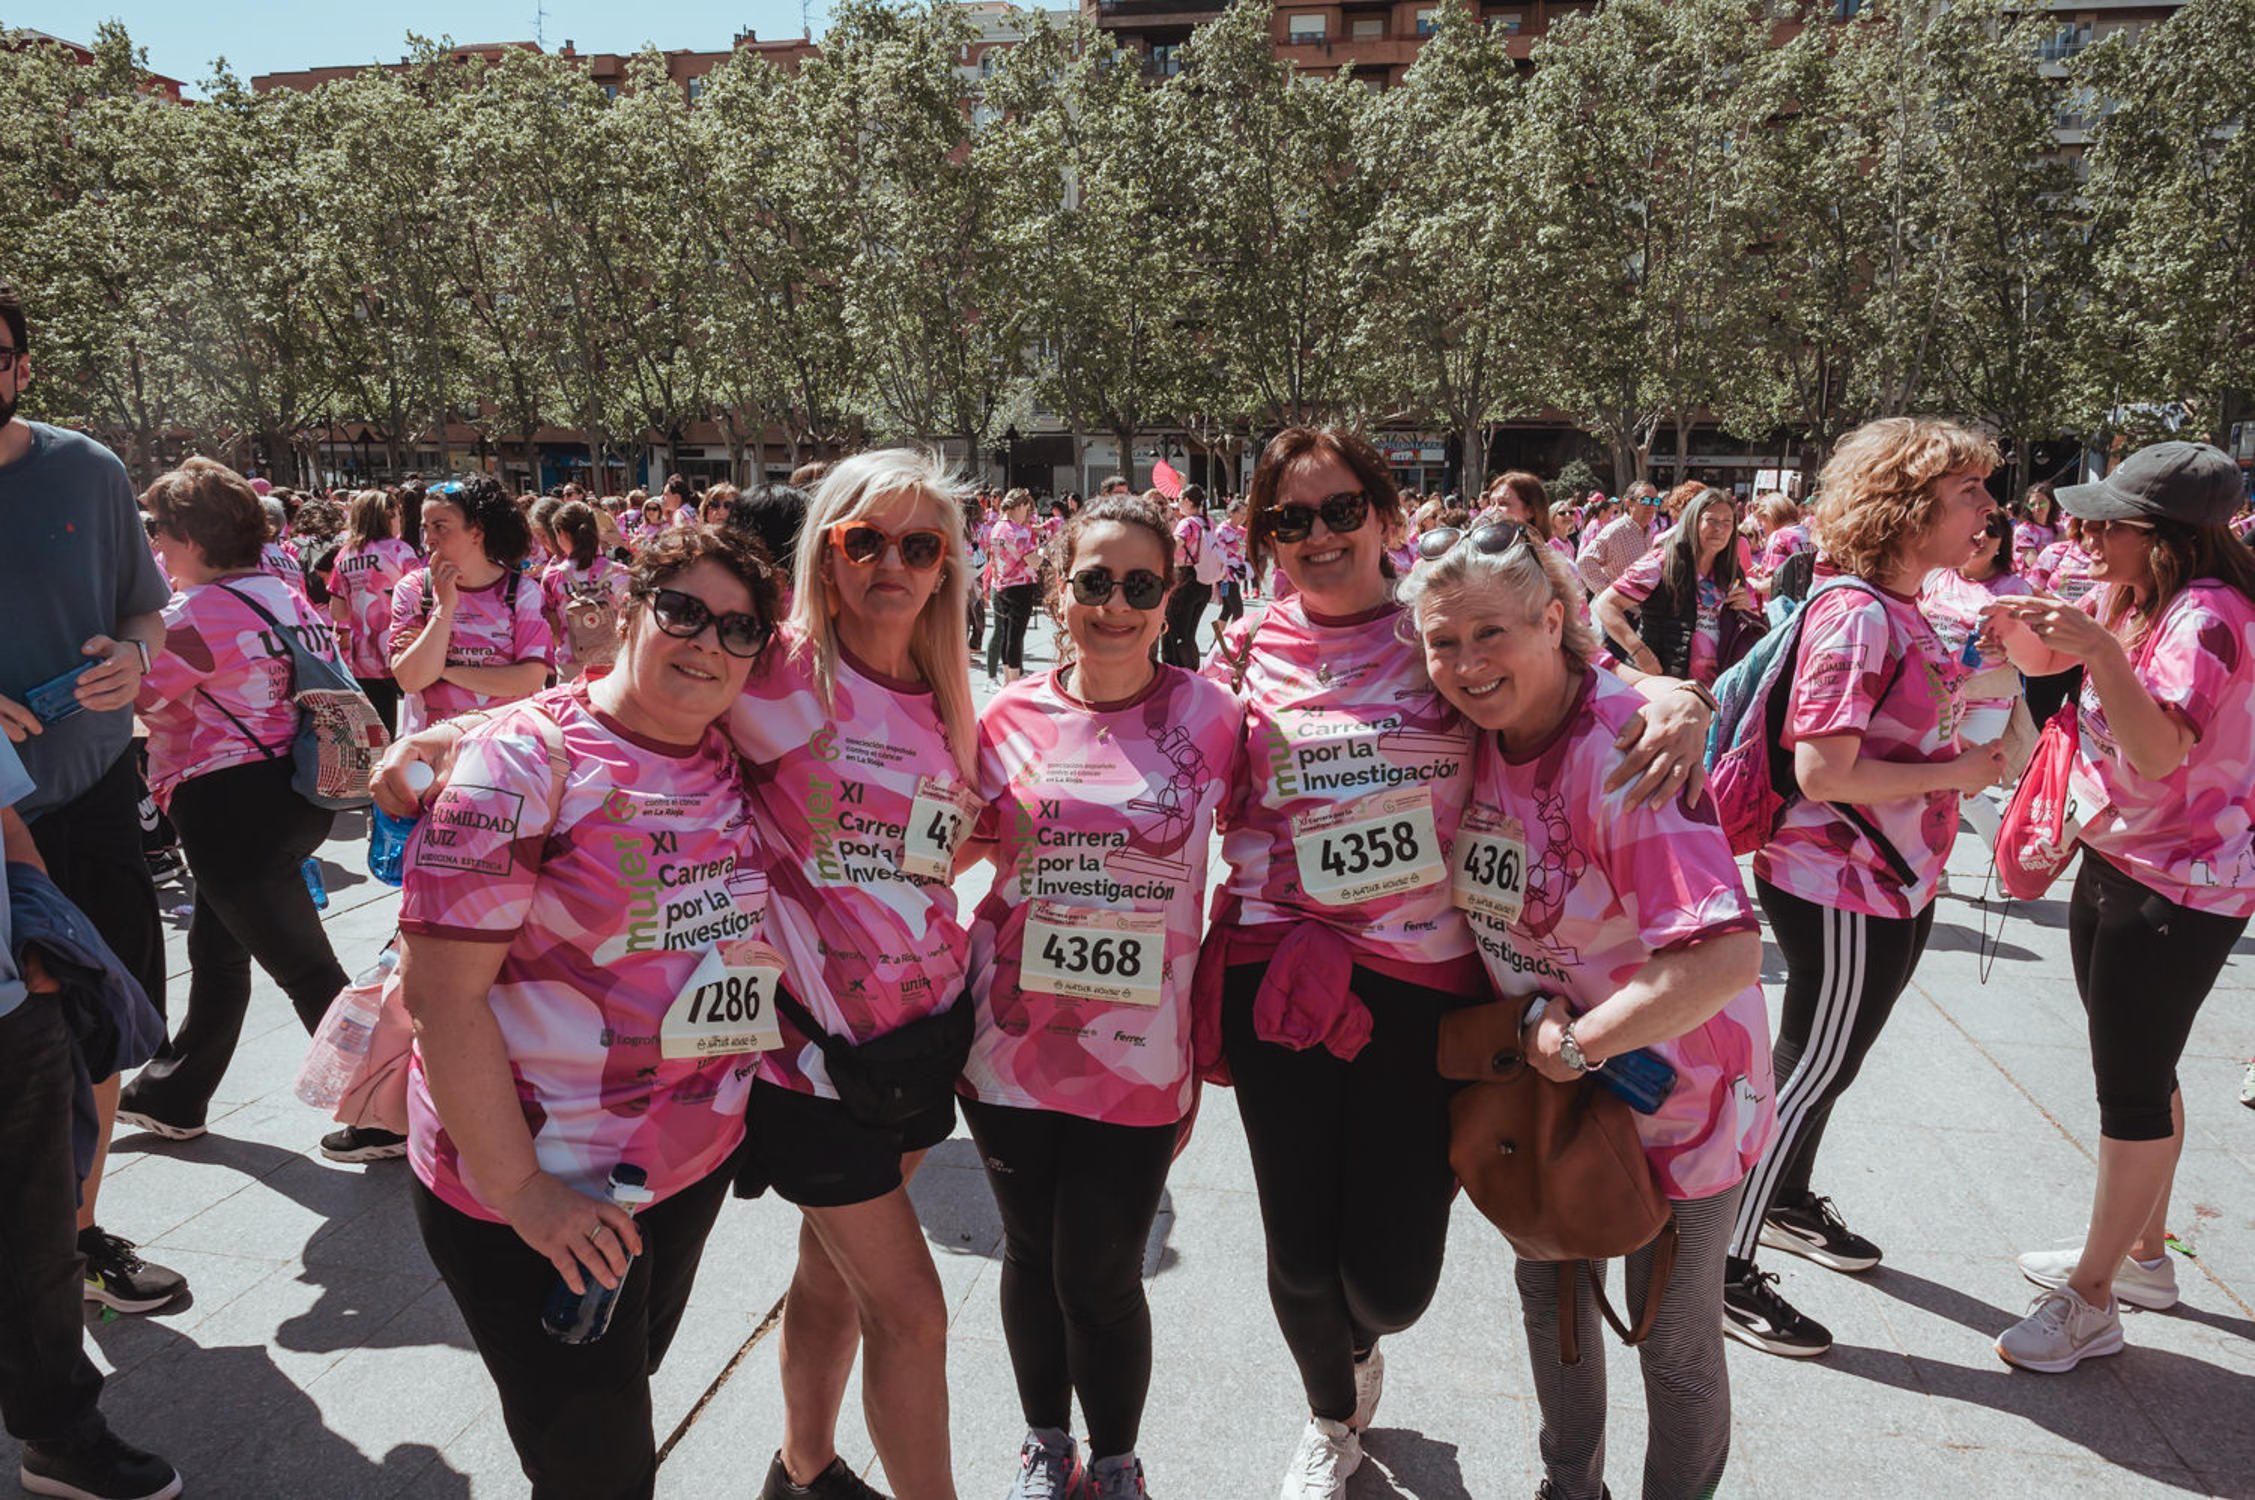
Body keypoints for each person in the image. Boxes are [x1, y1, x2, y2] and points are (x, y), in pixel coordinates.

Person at [1203, 428, 1716, 1500]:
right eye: (1288, 519)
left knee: (1390, 1277)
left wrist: (1680, 699)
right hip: (1277, 967)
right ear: (1261, 539)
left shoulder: (1436, 626)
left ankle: (1363, 1339)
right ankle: (1331, 1412)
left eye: (1341, 508)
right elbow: (1162, 757)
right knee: (1298, 1250)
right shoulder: (1243, 649)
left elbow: (1571, 676)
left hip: (1424, 986)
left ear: (1386, 516)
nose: (1318, 535)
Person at [402, 527, 781, 1498]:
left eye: (739, 630)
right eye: (684, 611)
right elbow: (442, 998)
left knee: (619, 1394)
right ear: (629, 609)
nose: (706, 643)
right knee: (600, 1470)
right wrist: (524, 1192)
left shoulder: (735, 752)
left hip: (683, 1166)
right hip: (533, 1193)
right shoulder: (522, 761)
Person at [1402, 523, 1774, 1500]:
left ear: (1553, 620)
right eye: (1443, 642)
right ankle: (1569, 1491)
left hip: (1671, 1094)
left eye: (1489, 633)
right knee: (1552, 1301)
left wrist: (1575, 1043)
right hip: (1548, 1092)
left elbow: (1727, 956)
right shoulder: (1473, 734)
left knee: (1671, 1338)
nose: (1465, 664)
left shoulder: (1622, 750)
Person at [960, 495, 1242, 1500]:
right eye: (1093, 582)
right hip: (1008, 1039)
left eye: (1138, 585)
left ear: (1170, 596)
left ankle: (1116, 1461)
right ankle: (1046, 1445)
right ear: (1056, 591)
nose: (1114, 605)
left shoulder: (1216, 718)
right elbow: (940, 843)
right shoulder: (1004, 717)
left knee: (1104, 1270)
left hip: (1140, 1049)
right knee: (1030, 1254)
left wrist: (1663, 700)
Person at [1723, 418, 2008, 1358]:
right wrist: (1955, 776)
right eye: (1967, 490)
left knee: (1829, 1060)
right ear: (1909, 504)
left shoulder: (1905, 604)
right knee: (1808, 1066)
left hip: (1890, 876)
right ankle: (1722, 1263)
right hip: (1837, 877)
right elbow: (1822, 771)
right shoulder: (1856, 613)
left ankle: (1790, 1201)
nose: (1986, 508)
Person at [1983, 441, 2255, 1371]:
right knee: (2143, 1065)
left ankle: (2092, 1299)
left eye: (2107, 521)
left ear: (2167, 536)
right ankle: (2141, 1259)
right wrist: (2026, 632)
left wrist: (2097, 648)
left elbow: (2156, 751)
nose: (2083, 530)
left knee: (2130, 1086)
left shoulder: (2209, 616)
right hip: (2120, 859)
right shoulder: (2142, 597)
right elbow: (2065, 677)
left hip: (2181, 882)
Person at [0, 279, 188, 1317]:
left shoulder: (88, 469)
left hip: (91, 799)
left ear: (23, 365)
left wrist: (129, 654)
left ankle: (75, 1238)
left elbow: (145, 616)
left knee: (103, 1021)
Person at [109, 460, 353, 1143]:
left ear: (189, 535)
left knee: (308, 971)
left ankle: (385, 1109)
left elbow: (132, 697)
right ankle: (175, 1093)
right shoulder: (283, 593)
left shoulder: (192, 617)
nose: (151, 542)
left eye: (155, 528)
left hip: (230, 808)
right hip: (299, 791)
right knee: (219, 953)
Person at [389, 476, 552, 737]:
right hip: (429, 754)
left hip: (505, 747)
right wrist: (444, 608)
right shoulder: (413, 590)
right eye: (426, 527)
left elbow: (530, 678)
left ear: (475, 532)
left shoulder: (522, 593)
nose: (428, 539)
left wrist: (440, 670)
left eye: (440, 527)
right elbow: (410, 679)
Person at [1593, 487, 1764, 688]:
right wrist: (1639, 652)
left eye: (1727, 522)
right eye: (1711, 520)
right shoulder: (1663, 561)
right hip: (1665, 685)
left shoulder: (1730, 570)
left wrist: (1745, 607)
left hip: (1714, 690)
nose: (1720, 528)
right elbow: (1606, 604)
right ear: (1693, 521)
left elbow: (1748, 620)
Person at [327, 488, 419, 733]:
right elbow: (423, 595)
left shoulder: (345, 556)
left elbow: (337, 612)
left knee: (381, 733)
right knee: (419, 724)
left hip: (364, 656)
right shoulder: (400, 551)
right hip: (404, 648)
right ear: (389, 515)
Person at [541, 500, 632, 681]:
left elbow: (552, 628)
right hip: (615, 662)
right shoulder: (621, 573)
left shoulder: (553, 576)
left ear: (562, 534)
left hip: (572, 662)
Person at [986, 488, 1040, 685]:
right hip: (1020, 586)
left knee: (1006, 634)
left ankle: (1008, 682)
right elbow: (1033, 561)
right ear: (1018, 506)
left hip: (1001, 584)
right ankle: (1014, 682)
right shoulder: (1018, 532)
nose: (1026, 513)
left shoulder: (997, 528)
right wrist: (1045, 557)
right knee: (1015, 636)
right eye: (1025, 508)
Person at [1163, 487, 1215, 669]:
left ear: (1187, 501)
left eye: (1179, 499)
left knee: (1175, 633)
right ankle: (1193, 674)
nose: (1177, 503)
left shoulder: (1187, 524)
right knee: (1189, 634)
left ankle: (1178, 672)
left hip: (1184, 578)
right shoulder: (1207, 521)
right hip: (1203, 582)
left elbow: (1173, 547)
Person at [1578, 483, 1660, 597]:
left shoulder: (1648, 531)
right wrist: (1611, 594)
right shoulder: (1615, 531)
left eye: (1655, 501)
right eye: (1645, 500)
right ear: (1628, 503)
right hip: (1621, 610)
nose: (1651, 506)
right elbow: (1585, 561)